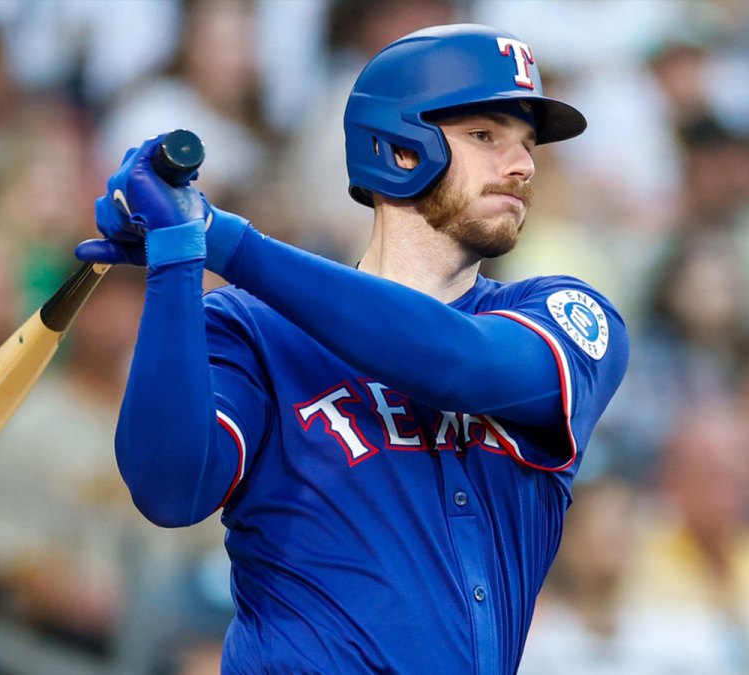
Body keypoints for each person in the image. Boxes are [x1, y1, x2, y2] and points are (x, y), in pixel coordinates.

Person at [75, 24, 629, 673]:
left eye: (528, 145)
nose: (523, 165)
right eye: (486, 136)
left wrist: (226, 240)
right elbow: (170, 489)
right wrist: (176, 259)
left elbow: (460, 362)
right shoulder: (252, 325)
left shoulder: (571, 314)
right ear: (399, 149)